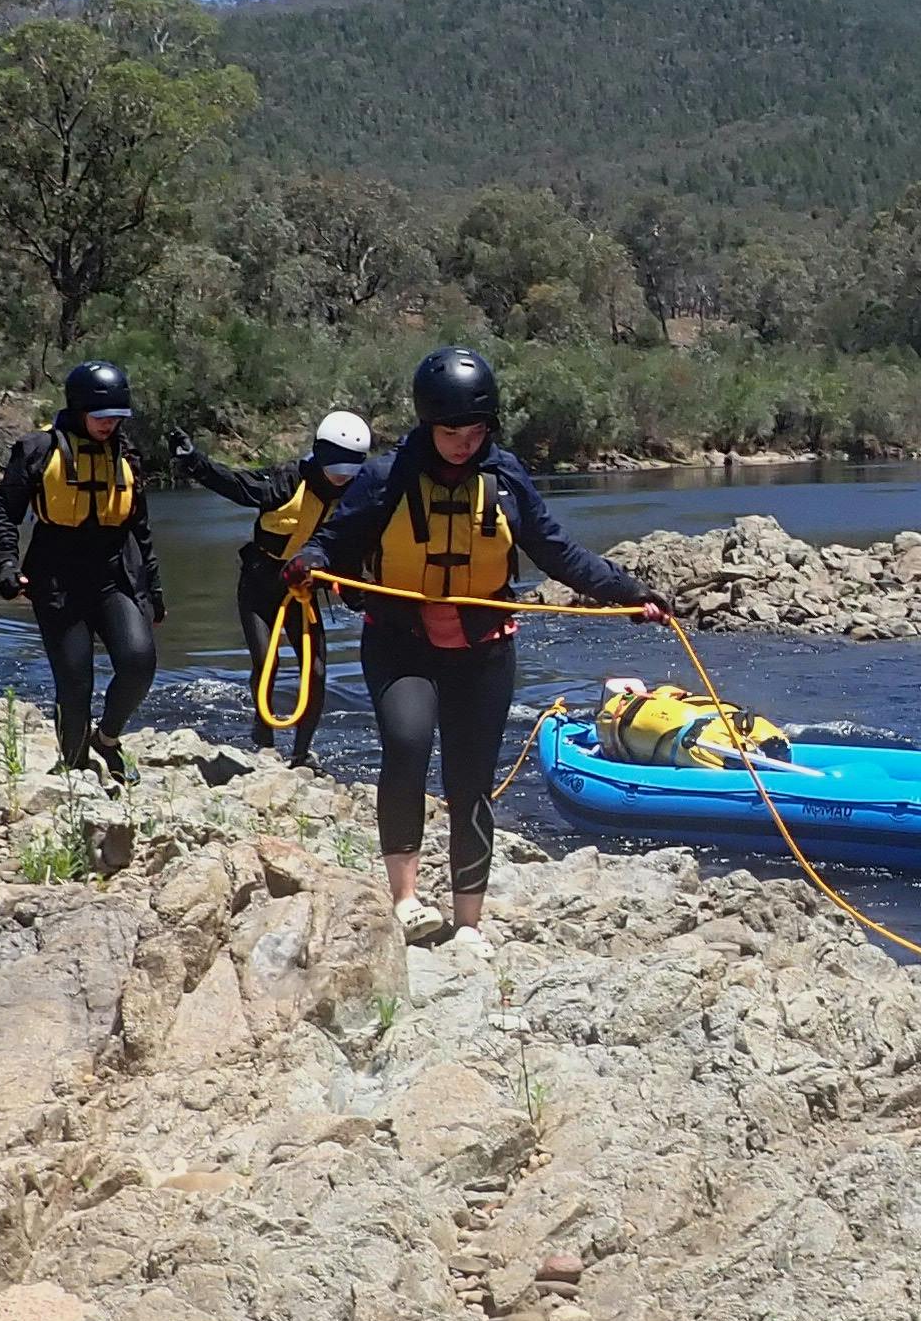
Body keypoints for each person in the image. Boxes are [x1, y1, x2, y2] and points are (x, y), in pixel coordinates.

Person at [297, 346, 668, 947]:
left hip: (482, 650)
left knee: (470, 780)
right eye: (451, 431)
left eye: (475, 430)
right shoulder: (383, 478)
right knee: (408, 745)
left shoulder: (506, 477)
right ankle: (406, 899)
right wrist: (309, 561)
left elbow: (556, 550)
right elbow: (333, 543)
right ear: (427, 423)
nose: (464, 442)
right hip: (401, 642)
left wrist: (626, 592)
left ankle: (469, 923)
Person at [0, 361, 165, 778]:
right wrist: (7, 564)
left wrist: (153, 590)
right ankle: (75, 768)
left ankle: (108, 739)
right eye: (101, 417)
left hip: (113, 574)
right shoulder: (37, 451)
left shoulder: (127, 455)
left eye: (117, 418)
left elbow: (141, 529)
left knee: (139, 662)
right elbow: (1, 512)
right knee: (75, 680)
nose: (109, 425)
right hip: (56, 579)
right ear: (80, 408)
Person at [175, 407, 375, 762]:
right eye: (336, 470)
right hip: (259, 585)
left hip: (302, 589)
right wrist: (194, 462)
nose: (341, 479)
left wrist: (359, 594)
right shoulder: (285, 481)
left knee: (316, 670)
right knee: (267, 661)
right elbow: (236, 485)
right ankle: (264, 734)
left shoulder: (353, 494)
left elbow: (352, 547)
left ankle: (301, 753)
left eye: (350, 471)